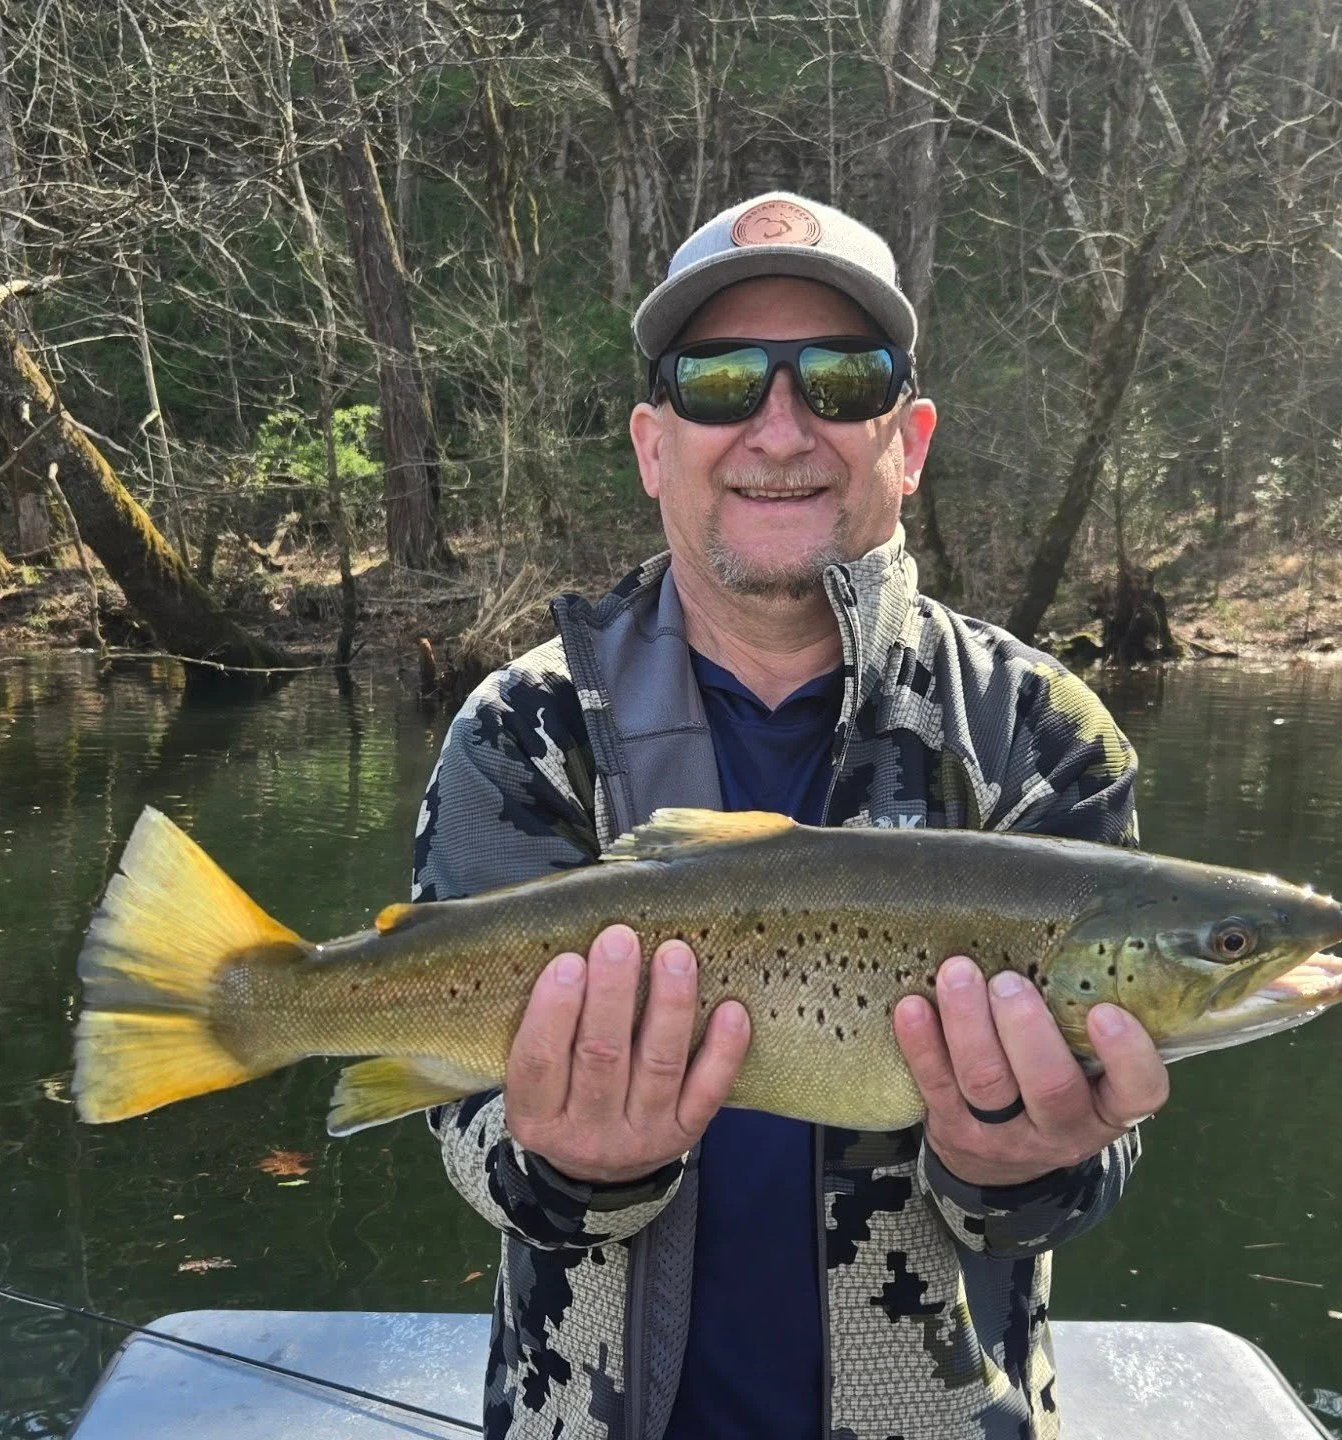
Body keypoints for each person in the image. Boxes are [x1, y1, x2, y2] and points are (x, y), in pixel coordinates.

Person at [413, 191, 1170, 1440]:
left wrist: (1024, 1166)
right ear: (655, 445)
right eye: (719, 382)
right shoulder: (520, 730)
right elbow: (460, 1128)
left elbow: (1093, 1167)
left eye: (840, 378)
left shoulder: (1043, 732)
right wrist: (566, 1167)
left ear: (908, 440)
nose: (780, 426)